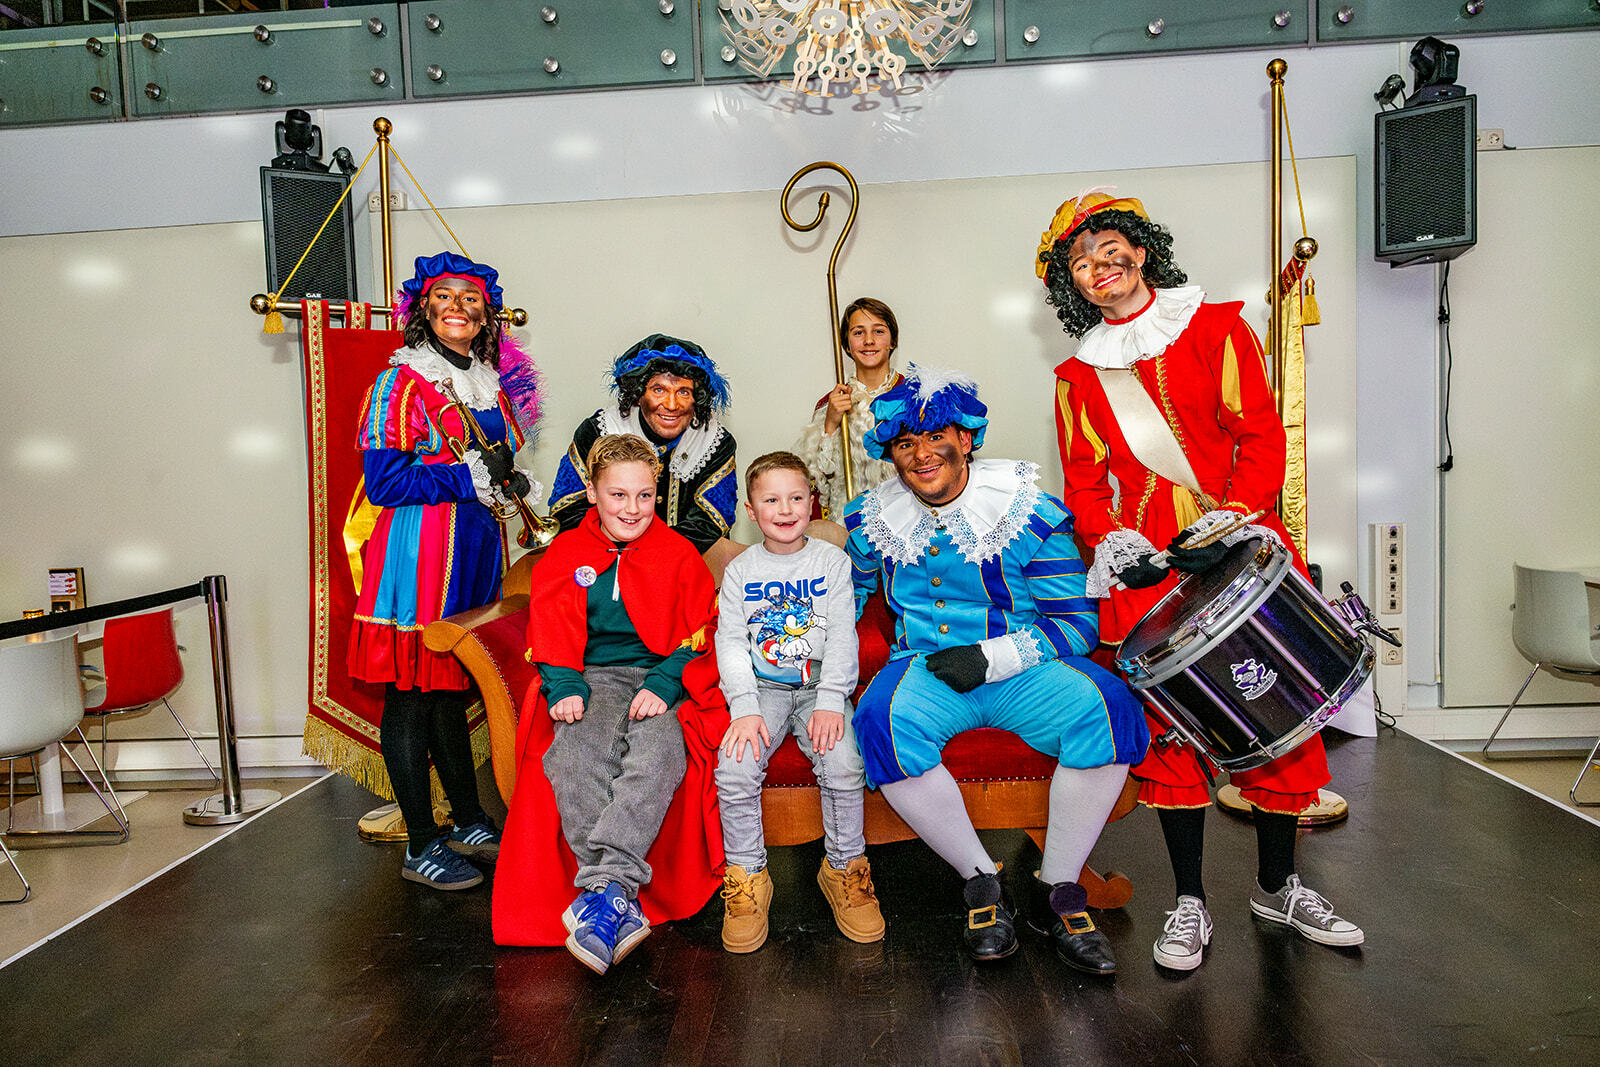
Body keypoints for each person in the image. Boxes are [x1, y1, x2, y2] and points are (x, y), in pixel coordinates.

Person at [1038, 188, 1365, 972]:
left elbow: (1262, 437)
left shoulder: (1217, 327)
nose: (1098, 267)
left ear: (1141, 251)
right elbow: (1085, 484)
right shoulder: (1076, 376)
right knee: (1174, 737)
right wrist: (1112, 543)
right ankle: (1189, 899)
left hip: (1236, 548)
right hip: (1147, 570)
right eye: (1079, 263)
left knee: (1276, 714)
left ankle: (1279, 886)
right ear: (1071, 285)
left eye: (1109, 250)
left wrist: (1226, 526)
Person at [843, 366, 1149, 974]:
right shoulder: (870, 519)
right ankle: (982, 881)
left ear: (967, 439)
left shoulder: (1028, 510)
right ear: (891, 455)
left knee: (1110, 709)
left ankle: (1058, 889)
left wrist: (990, 658)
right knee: (879, 723)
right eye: (905, 443)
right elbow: (844, 598)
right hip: (925, 669)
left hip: (1022, 665)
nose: (922, 454)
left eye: (936, 437)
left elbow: (1076, 625)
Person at [491, 434, 728, 969]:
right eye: (618, 495)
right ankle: (614, 893)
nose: (632, 508)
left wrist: (666, 682)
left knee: (658, 757)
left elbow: (705, 627)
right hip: (593, 677)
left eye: (644, 496)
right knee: (574, 756)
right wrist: (564, 684)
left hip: (660, 678)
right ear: (593, 492)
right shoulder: (567, 552)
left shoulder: (678, 552)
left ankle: (602, 896)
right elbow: (548, 623)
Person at [348, 251, 542, 891]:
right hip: (421, 557)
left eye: (470, 297)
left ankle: (466, 818)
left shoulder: (489, 384)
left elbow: (496, 464)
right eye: (444, 295)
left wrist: (510, 482)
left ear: (487, 315)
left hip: (476, 550)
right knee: (411, 692)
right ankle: (421, 843)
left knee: (450, 686)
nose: (458, 306)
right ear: (423, 308)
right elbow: (384, 482)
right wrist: (466, 477)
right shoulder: (400, 383)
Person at [714, 451, 884, 953]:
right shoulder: (741, 570)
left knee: (845, 762)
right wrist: (744, 708)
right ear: (751, 510)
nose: (785, 509)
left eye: (795, 498)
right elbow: (730, 643)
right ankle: (747, 877)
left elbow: (843, 637)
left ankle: (844, 869)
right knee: (734, 767)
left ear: (813, 503)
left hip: (819, 691)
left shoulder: (832, 562)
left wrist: (832, 699)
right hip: (762, 691)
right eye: (771, 500)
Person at [547, 334, 737, 554]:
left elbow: (709, 523)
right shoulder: (597, 431)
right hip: (604, 556)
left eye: (683, 392)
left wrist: (650, 555)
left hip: (684, 559)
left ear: (697, 398)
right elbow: (568, 512)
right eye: (659, 390)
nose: (672, 405)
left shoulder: (716, 443)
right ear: (638, 395)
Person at [792, 297, 906, 520]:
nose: (869, 340)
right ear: (846, 345)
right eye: (858, 332)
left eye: (879, 331)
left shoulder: (914, 397)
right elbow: (816, 483)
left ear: (892, 341)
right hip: (848, 524)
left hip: (903, 519)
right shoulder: (829, 405)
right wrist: (830, 425)